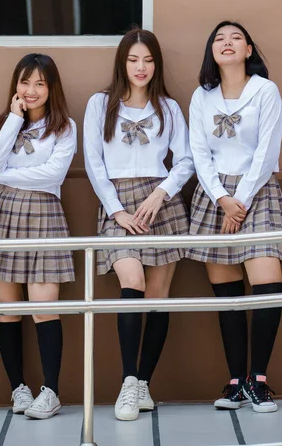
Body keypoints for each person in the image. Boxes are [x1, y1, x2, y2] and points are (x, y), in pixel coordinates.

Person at [83, 28, 194, 421]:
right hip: (117, 205)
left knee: (158, 296)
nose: (141, 67)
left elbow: (185, 160)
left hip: (160, 203)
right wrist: (117, 211)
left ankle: (144, 383)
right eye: (133, 59)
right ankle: (128, 383)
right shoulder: (101, 104)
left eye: (147, 60)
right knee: (131, 279)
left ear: (156, 64)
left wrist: (161, 192)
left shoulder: (168, 108)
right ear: (122, 62)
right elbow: (94, 162)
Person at [185, 20, 282, 413]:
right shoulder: (201, 96)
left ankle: (258, 380)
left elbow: (267, 149)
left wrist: (240, 199)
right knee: (227, 292)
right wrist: (221, 198)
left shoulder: (265, 91)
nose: (227, 43)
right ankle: (234, 381)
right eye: (219, 39)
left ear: (248, 50)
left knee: (266, 282)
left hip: (256, 191)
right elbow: (199, 151)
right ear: (212, 51)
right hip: (215, 196)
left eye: (236, 38)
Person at [0, 53, 76, 420]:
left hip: (44, 215)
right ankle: (18, 387)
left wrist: (8, 175)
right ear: (15, 86)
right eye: (25, 82)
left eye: (39, 84)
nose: (31, 91)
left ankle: (51, 391)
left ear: (51, 88)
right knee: (8, 308)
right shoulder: (3, 124)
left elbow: (53, 175)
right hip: (3, 215)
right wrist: (15, 119)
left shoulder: (64, 128)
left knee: (44, 307)